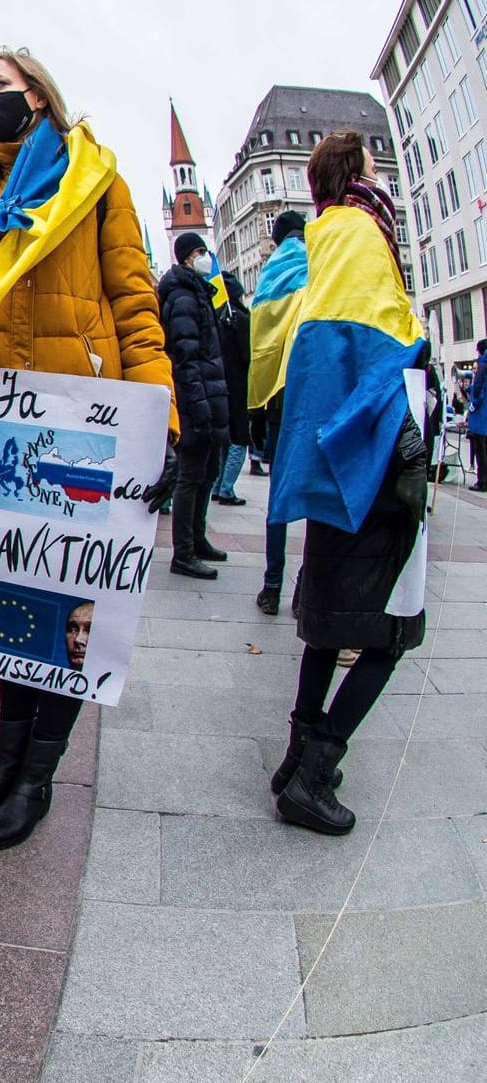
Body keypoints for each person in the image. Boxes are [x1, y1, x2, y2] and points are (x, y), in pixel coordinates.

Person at [0, 50, 177, 850]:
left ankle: (39, 775)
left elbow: (136, 305)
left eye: (0, 86)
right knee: (11, 598)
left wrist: (163, 423)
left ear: (37, 94)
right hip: (2, 426)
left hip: (87, 421)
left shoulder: (95, 179)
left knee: (71, 598)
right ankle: (5, 762)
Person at [268, 131, 436, 836]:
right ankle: (314, 772)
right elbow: (381, 353)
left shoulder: (319, 239)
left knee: (325, 622)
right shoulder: (365, 233)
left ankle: (295, 756)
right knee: (392, 633)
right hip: (369, 461)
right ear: (359, 174)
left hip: (328, 463)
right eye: (375, 165)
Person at [157, 233, 232, 578]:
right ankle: (183, 552)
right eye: (202, 252)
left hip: (206, 395)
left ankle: (197, 539)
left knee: (208, 472)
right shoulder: (184, 295)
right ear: (188, 257)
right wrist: (199, 404)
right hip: (195, 398)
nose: (206, 257)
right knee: (191, 475)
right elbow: (185, 355)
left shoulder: (198, 292)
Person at [249, 210, 310, 615]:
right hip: (314, 396)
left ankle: (272, 586)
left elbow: (260, 343)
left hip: (276, 404)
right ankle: (305, 589)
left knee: (278, 499)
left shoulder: (269, 276)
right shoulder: (319, 266)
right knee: (318, 499)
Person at [211, 271, 252, 506]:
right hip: (238, 387)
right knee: (239, 440)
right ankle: (226, 488)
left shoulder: (218, 319)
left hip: (219, 386)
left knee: (224, 440)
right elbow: (248, 356)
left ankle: (218, 485)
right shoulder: (241, 319)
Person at [470, 341, 487, 491]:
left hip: (481, 417)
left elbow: (479, 390)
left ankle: (482, 481)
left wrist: (474, 402)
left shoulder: (483, 366)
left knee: (481, 452)